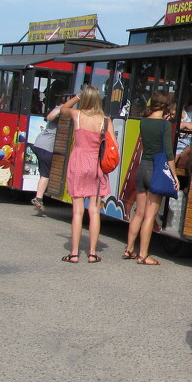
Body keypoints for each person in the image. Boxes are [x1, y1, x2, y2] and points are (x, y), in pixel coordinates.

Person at [122, 91, 177, 265]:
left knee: (138, 212)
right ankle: (143, 255)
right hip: (156, 170)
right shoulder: (165, 125)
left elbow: (145, 146)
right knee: (149, 216)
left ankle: (129, 248)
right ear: (166, 104)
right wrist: (174, 175)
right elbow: (168, 154)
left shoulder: (144, 122)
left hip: (142, 167)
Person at [63, 85, 112, 263]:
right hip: (96, 165)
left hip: (78, 162)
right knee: (94, 211)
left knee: (77, 212)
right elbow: (113, 145)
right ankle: (92, 253)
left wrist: (77, 97)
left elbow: (63, 109)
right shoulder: (105, 120)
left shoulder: (77, 115)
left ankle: (74, 253)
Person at [29, 93, 79, 214]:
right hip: (47, 146)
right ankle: (40, 197)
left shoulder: (67, 110)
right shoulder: (61, 108)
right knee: (48, 173)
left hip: (40, 144)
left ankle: (39, 198)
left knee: (44, 173)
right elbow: (50, 117)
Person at [174, 89, 192, 186]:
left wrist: (186, 124)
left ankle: (190, 183)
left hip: (190, 142)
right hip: (180, 144)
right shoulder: (182, 113)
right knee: (173, 158)